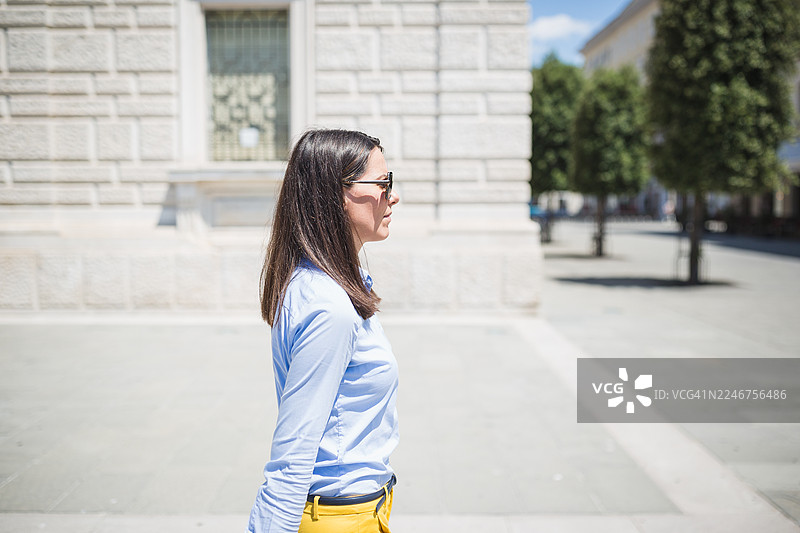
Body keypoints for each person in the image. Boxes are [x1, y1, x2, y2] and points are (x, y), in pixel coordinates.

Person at [248, 129, 401, 533]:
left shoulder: (321, 284)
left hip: (355, 512)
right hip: (340, 518)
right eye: (383, 183)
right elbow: (292, 452)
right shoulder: (329, 306)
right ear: (336, 195)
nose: (393, 196)